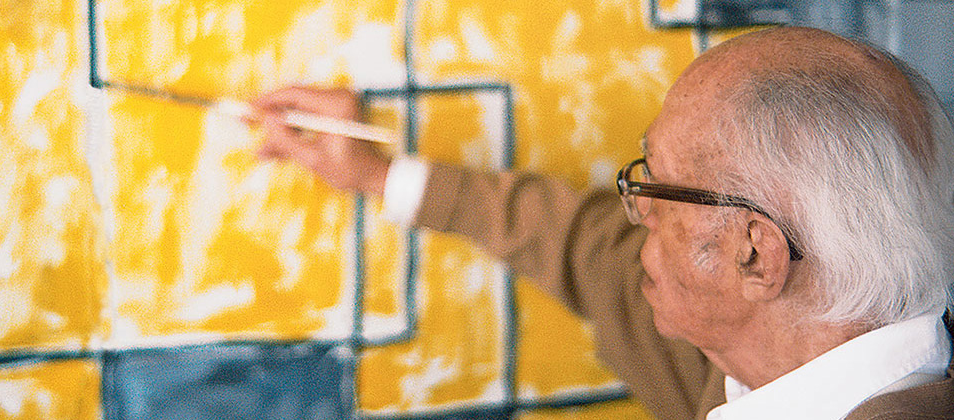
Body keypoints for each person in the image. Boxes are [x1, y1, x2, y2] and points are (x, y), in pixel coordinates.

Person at [250, 27, 954, 419]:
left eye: (656, 186)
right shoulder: (750, 359)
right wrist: (376, 175)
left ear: (755, 256)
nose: (637, 210)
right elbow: (589, 249)